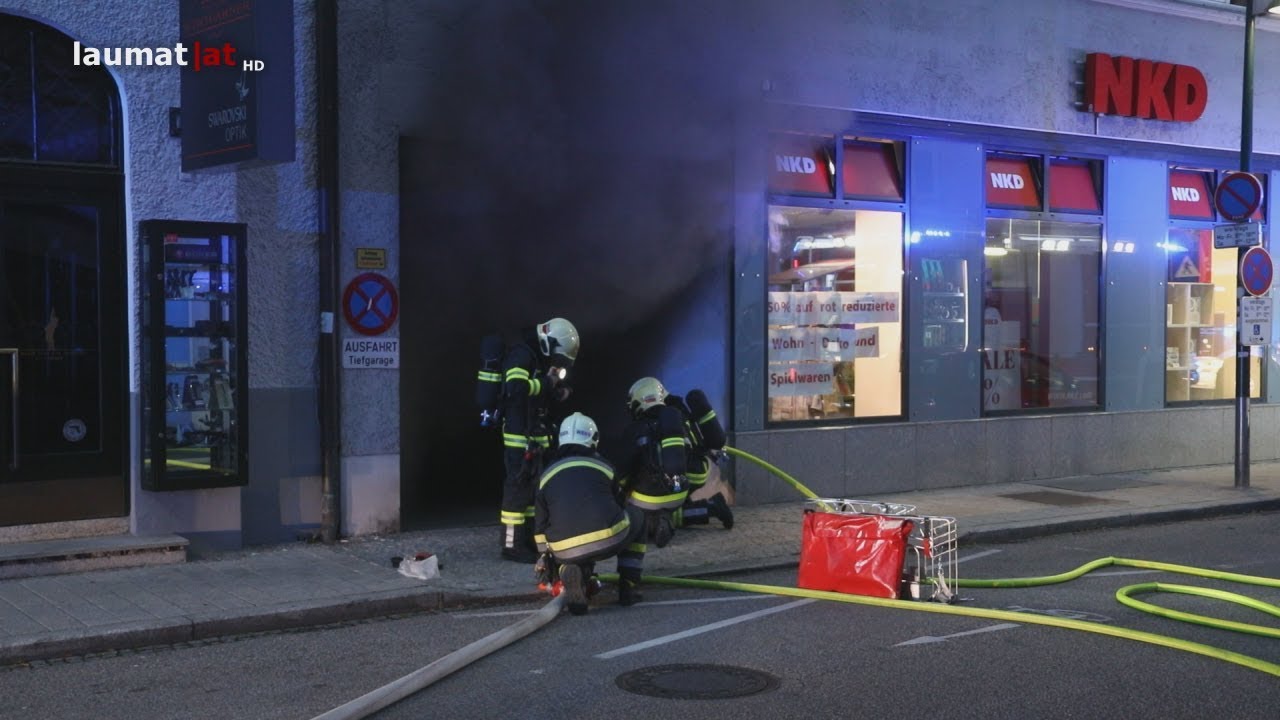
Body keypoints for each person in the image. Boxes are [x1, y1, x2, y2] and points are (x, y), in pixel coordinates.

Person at [534, 412, 646, 615]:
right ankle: (629, 586)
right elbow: (620, 504)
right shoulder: (604, 466)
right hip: (608, 538)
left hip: (565, 548)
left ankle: (568, 571)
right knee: (637, 515)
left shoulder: (546, 475)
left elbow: (540, 525)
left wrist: (547, 561)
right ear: (593, 439)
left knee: (570, 542)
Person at [498, 317, 580, 562]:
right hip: (519, 439)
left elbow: (536, 397)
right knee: (517, 491)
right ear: (548, 341)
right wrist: (547, 383)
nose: (555, 360)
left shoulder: (535, 359)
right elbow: (515, 389)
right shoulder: (521, 355)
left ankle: (529, 541)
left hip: (534, 437)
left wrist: (556, 391)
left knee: (534, 493)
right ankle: (511, 546)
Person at [616, 376, 695, 549]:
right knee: (670, 509)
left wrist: (619, 492)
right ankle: (707, 509)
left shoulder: (635, 429)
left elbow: (623, 470)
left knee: (629, 515)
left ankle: (654, 524)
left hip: (647, 499)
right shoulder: (677, 423)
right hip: (680, 494)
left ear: (639, 402)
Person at [663, 388, 735, 531]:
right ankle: (690, 503)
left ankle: (713, 507)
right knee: (678, 502)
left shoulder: (667, 416)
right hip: (698, 464)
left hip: (687, 471)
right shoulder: (680, 410)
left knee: (673, 516)